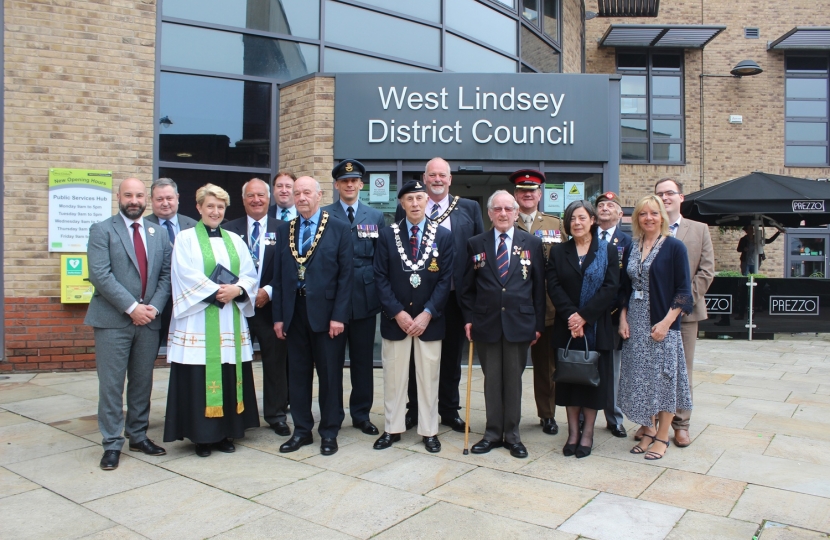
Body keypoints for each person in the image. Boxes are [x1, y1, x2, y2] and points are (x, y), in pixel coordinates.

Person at [163, 184, 260, 457]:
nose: (215, 211)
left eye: (220, 207)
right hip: (198, 321)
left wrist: (238, 290)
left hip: (229, 318)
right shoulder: (185, 239)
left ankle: (225, 433)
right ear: (198, 208)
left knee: (228, 371)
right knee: (199, 375)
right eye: (210, 206)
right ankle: (202, 436)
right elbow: (183, 274)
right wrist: (216, 292)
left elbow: (250, 275)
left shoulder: (234, 239)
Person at [85, 178, 172, 470]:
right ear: (119, 197)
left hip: (148, 321)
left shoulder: (158, 233)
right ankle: (112, 443)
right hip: (112, 321)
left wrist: (153, 308)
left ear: (145, 199)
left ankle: (138, 434)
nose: (133, 200)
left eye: (138, 195)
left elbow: (166, 275)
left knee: (141, 382)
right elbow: (100, 275)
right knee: (111, 385)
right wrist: (132, 307)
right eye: (127, 195)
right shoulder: (101, 230)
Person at [395, 157, 484, 433]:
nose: (437, 179)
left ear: (450, 179)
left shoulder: (468, 208)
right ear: (424, 177)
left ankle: (448, 409)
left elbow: (478, 252)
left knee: (450, 357)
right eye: (432, 175)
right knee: (415, 357)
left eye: (442, 175)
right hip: (418, 299)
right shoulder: (412, 206)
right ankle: (414, 409)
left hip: (455, 298)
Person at [271, 176, 353, 456]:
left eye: (307, 192)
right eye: (297, 193)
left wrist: (339, 316)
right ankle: (302, 431)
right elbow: (280, 277)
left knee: (330, 376)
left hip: (328, 316)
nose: (301, 197)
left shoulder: (340, 228)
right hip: (295, 314)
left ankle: (329, 432)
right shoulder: (286, 230)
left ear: (320, 195)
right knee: (298, 375)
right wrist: (279, 317)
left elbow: (346, 277)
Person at [461, 190, 545, 459]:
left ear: (516, 211)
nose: (503, 214)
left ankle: (513, 435)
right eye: (497, 209)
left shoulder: (531, 242)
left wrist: (538, 324)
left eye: (508, 209)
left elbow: (539, 289)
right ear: (489, 213)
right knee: (491, 381)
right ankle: (492, 433)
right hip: (486, 323)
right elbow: (466, 288)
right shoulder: (476, 243)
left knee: (513, 381)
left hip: (519, 323)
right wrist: (468, 319)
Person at [372, 180, 454, 452]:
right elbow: (380, 277)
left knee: (429, 378)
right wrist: (398, 313)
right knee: (394, 377)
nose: (416, 203)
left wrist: (427, 313)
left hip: (429, 322)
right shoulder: (387, 235)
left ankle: (429, 431)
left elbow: (445, 280)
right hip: (397, 321)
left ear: (427, 201)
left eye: (420, 198)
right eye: (410, 199)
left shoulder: (443, 235)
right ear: (402, 203)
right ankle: (392, 428)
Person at [619, 195, 693, 460]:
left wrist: (665, 323)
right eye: (642, 214)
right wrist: (623, 318)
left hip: (663, 325)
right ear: (636, 218)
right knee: (640, 379)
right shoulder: (632, 246)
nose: (648, 218)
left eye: (654, 213)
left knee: (664, 381)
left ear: (662, 216)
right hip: (636, 324)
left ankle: (663, 437)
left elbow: (685, 292)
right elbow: (625, 287)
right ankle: (647, 429)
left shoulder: (674, 247)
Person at [546, 201, 620, 458]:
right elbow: (553, 286)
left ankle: (587, 433)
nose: (576, 223)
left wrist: (585, 317)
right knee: (569, 382)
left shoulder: (608, 251)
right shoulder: (558, 252)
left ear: (592, 220)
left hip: (597, 327)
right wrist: (572, 317)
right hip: (567, 328)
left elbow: (611, 288)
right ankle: (573, 433)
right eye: (571, 219)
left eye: (581, 218)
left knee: (593, 384)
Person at [224, 178, 291, 437]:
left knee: (275, 363)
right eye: (251, 196)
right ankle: (237, 414)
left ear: (269, 197)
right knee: (236, 363)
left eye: (261, 195)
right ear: (243, 200)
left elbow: (289, 269)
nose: (256, 200)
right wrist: (245, 292)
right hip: (237, 308)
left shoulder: (284, 228)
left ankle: (276, 415)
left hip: (269, 309)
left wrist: (268, 291)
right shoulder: (229, 230)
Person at [322, 159, 385, 436]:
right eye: (344, 181)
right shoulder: (324, 214)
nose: (349, 185)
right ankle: (332, 415)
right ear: (336, 185)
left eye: (354, 181)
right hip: (333, 299)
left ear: (361, 184)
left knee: (363, 361)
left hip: (364, 297)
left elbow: (381, 258)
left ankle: (361, 414)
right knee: (331, 363)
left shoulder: (375, 216)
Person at [654, 178, 715, 448]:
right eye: (659, 194)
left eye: (669, 193)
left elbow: (706, 271)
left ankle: (681, 424)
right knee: (654, 370)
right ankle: (653, 423)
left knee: (681, 371)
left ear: (681, 197)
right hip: (653, 314)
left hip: (686, 316)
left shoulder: (699, 230)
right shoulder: (648, 229)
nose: (665, 197)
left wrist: (681, 303)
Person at [512, 169, 564, 436]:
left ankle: (547, 414)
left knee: (546, 367)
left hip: (548, 308)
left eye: (532, 191)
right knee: (512, 367)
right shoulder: (505, 221)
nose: (527, 195)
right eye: (522, 191)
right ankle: (510, 417)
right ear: (515, 195)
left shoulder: (555, 225)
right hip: (514, 309)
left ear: (540, 195)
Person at [145, 178, 197, 354]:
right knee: (147, 356)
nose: (165, 203)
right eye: (159, 199)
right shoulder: (142, 227)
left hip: (187, 302)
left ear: (177, 198)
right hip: (153, 303)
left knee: (186, 353)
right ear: (151, 200)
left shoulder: (194, 226)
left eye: (169, 198)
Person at [595, 191, 632, 439]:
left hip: (612, 313)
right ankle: (581, 415)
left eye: (611, 205)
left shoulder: (628, 242)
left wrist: (623, 317)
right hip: (586, 314)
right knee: (581, 364)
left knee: (612, 371)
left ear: (620, 213)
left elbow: (629, 283)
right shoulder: (584, 235)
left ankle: (614, 418)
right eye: (601, 204)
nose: (605, 208)